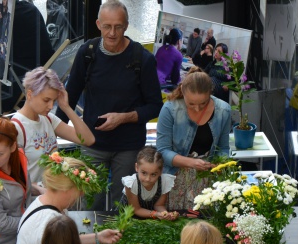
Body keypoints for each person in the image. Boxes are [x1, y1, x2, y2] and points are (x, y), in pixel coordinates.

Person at [56, 0, 163, 210]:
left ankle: (117, 242)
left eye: (118, 27)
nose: (112, 33)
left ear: (126, 25)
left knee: (121, 204)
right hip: (92, 143)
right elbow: (71, 94)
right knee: (88, 200)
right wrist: (53, 129)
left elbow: (155, 106)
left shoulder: (143, 59)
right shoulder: (88, 53)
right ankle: (89, 242)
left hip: (129, 146)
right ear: (98, 24)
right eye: (107, 26)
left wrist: (124, 117)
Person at [11, 67, 95, 195]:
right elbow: (14, 176)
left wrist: (66, 107)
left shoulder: (48, 119)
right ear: (29, 94)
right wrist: (40, 190)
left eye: (54, 101)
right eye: (46, 100)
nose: (51, 106)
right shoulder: (17, 126)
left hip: (51, 195)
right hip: (32, 200)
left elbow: (88, 140)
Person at [156, 66, 231, 210]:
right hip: (174, 178)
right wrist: (191, 163)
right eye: (191, 104)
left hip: (206, 181)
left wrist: (220, 165)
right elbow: (163, 151)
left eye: (203, 103)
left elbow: (224, 148)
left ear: (210, 93)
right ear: (182, 91)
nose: (197, 108)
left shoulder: (223, 110)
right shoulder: (170, 109)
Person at [120, 146, 178, 220]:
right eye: (144, 173)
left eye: (153, 174)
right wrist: (156, 214)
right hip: (128, 218)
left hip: (149, 218)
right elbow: (136, 210)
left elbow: (159, 205)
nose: (148, 179)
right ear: (137, 167)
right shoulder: (131, 184)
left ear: (160, 171)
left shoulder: (164, 181)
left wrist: (166, 214)